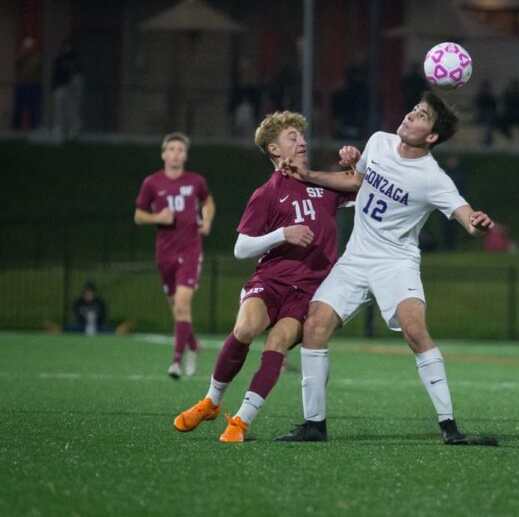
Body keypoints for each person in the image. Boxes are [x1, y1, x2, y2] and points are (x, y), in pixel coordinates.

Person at [275, 91, 495, 445]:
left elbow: (464, 215)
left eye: (421, 116)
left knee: (414, 331)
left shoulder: (432, 177)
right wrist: (308, 174)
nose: (410, 116)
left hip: (396, 263)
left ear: (432, 137)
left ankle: (450, 427)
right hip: (356, 257)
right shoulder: (379, 142)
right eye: (413, 109)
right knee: (314, 324)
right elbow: (356, 182)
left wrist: (477, 223)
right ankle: (314, 425)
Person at [173, 111, 355, 443]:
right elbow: (241, 248)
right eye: (292, 137)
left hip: (310, 290)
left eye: (302, 136)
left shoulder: (323, 183)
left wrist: (353, 164)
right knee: (245, 328)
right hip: (271, 279)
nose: (302, 142)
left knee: (277, 343)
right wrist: (282, 233)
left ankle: (240, 422)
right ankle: (211, 402)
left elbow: (366, 190)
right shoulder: (267, 193)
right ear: (273, 148)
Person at [134, 132, 215, 379]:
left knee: (182, 304)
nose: (176, 154)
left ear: (185, 155)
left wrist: (207, 220)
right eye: (172, 149)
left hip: (190, 249)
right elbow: (138, 215)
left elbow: (208, 202)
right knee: (177, 308)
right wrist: (157, 217)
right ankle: (193, 345)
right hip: (165, 252)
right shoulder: (152, 182)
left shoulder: (195, 181)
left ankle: (176, 361)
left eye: (180, 150)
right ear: (163, 154)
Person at [52, 40, 84, 140]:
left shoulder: (75, 59)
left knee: (72, 108)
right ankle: (59, 128)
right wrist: (54, 86)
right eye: (65, 46)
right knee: (59, 107)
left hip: (72, 86)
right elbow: (56, 73)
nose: (67, 49)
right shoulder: (59, 59)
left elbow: (79, 73)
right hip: (60, 85)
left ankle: (74, 129)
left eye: (69, 46)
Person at [12, 36, 42, 131]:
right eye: (26, 44)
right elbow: (15, 62)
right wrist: (23, 53)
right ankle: (15, 128)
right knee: (17, 107)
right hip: (21, 84)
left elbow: (37, 68)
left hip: (33, 85)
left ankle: (34, 127)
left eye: (30, 44)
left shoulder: (37, 57)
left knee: (33, 108)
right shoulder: (20, 55)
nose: (28, 47)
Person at [499, 78, 519, 142]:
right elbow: (502, 100)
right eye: (514, 86)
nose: (515, 87)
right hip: (509, 115)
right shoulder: (507, 94)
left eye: (516, 86)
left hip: (518, 116)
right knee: (501, 123)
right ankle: (509, 135)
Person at [474, 79, 498, 148]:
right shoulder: (479, 97)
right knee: (488, 122)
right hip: (481, 116)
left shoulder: (492, 97)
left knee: (489, 123)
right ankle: (487, 143)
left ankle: (488, 143)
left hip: (490, 117)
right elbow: (477, 108)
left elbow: (494, 108)